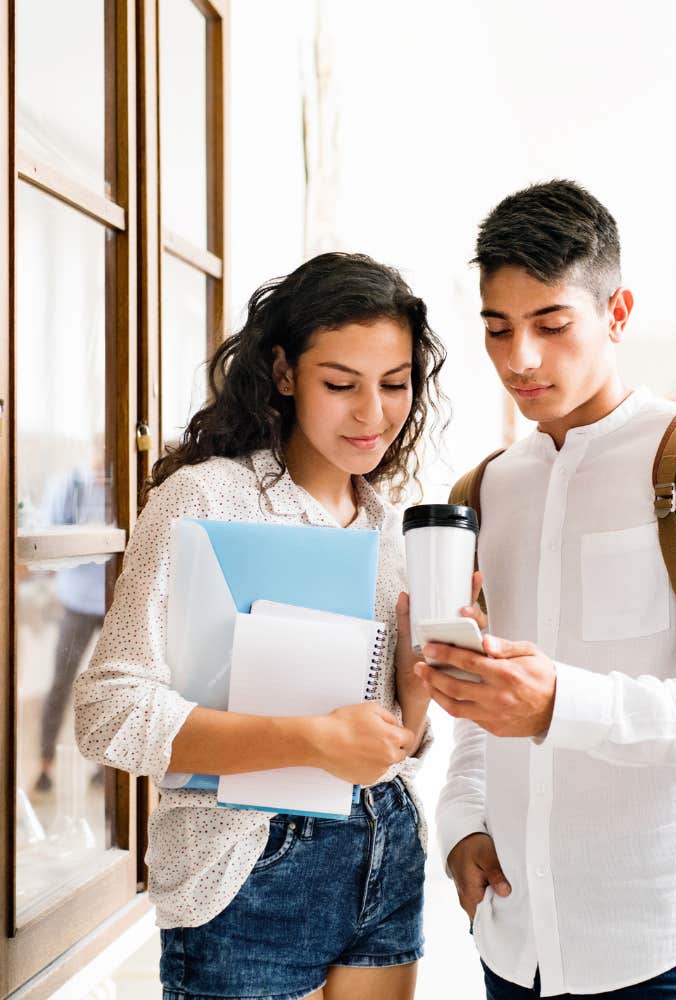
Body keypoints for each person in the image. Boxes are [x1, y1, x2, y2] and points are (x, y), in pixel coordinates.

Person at [419, 181, 676, 999]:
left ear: (617, 312)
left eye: (552, 325)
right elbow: (482, 708)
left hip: (662, 938)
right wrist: (462, 826)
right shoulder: (483, 491)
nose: (520, 358)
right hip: (513, 939)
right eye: (497, 328)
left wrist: (563, 703)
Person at [74, 253, 445, 1000]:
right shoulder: (207, 499)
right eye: (341, 385)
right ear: (283, 373)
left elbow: (396, 740)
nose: (373, 414)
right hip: (248, 866)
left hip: (387, 843)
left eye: (395, 385)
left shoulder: (391, 530)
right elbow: (108, 711)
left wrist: (426, 676)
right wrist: (310, 740)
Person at [34, 448, 107, 793]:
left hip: (112, 603)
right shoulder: (68, 485)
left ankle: (105, 768)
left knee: (109, 689)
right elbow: (48, 532)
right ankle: (45, 764)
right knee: (61, 683)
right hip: (76, 601)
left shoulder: (121, 485)